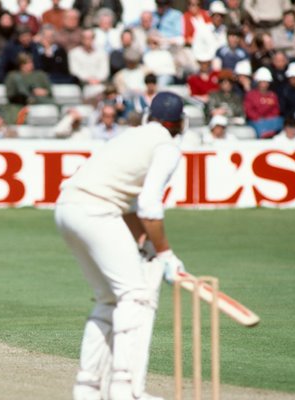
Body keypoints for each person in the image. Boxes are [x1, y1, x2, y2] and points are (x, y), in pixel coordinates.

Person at [55, 91, 186, 400]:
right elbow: (150, 205)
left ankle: (87, 388)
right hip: (96, 211)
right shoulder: (167, 146)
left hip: (66, 208)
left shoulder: (131, 137)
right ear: (179, 122)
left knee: (108, 299)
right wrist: (166, 254)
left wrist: (146, 243)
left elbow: (127, 205)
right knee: (136, 297)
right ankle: (124, 389)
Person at [244, 67, 282, 138]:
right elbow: (248, 110)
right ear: (258, 82)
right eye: (262, 82)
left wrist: (267, 119)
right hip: (255, 121)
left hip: (269, 121)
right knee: (257, 127)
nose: (264, 84)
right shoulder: (251, 95)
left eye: (266, 82)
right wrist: (258, 118)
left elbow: (275, 110)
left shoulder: (273, 95)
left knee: (280, 121)